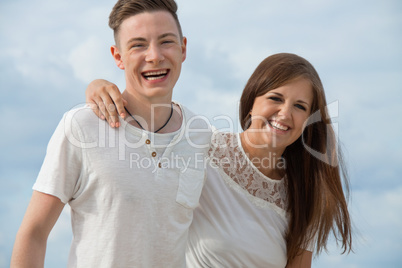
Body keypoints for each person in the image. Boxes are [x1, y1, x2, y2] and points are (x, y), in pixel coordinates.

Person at [86, 53, 353, 267]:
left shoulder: (306, 195)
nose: (284, 113)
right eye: (275, 98)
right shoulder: (202, 146)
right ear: (252, 101)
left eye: (300, 106)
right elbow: (144, 125)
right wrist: (97, 86)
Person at [11, 0, 212, 267]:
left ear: (183, 48)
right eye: (138, 45)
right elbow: (34, 232)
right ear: (118, 57)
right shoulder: (82, 125)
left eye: (166, 42)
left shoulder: (202, 136)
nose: (154, 55)